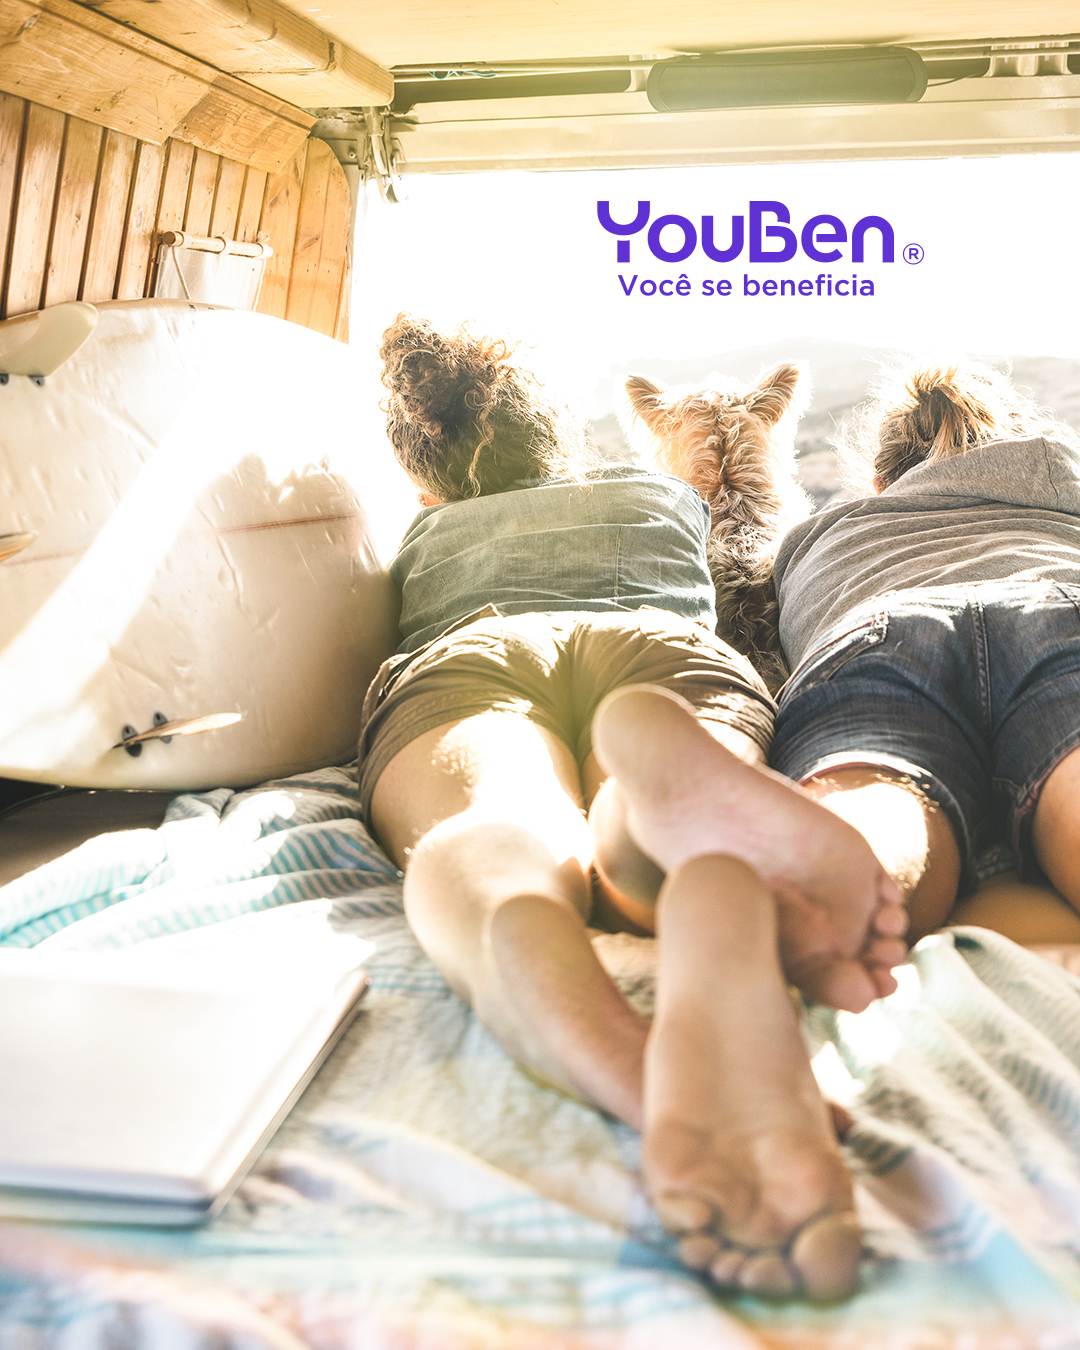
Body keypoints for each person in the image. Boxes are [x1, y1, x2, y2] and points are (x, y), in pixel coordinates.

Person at [358, 315, 907, 1299]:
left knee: (497, 813)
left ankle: (582, 1015)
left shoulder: (427, 531)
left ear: (423, 478)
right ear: (562, 443)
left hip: (478, 647)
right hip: (664, 643)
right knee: (649, 807)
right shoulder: (657, 497)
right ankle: (665, 843)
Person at [771, 359, 1080, 945]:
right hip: (1055, 600)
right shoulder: (1062, 487)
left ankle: (831, 887)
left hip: (882, 625)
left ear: (881, 482)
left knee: (875, 798)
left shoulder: (821, 534)